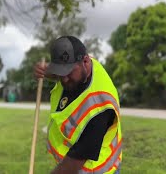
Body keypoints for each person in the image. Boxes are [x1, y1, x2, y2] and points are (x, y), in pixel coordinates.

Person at [34, 36, 122, 174]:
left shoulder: (100, 106)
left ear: (86, 61)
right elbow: (63, 72)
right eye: (60, 72)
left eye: (68, 72)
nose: (64, 79)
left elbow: (74, 161)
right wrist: (46, 72)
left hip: (94, 170)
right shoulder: (81, 67)